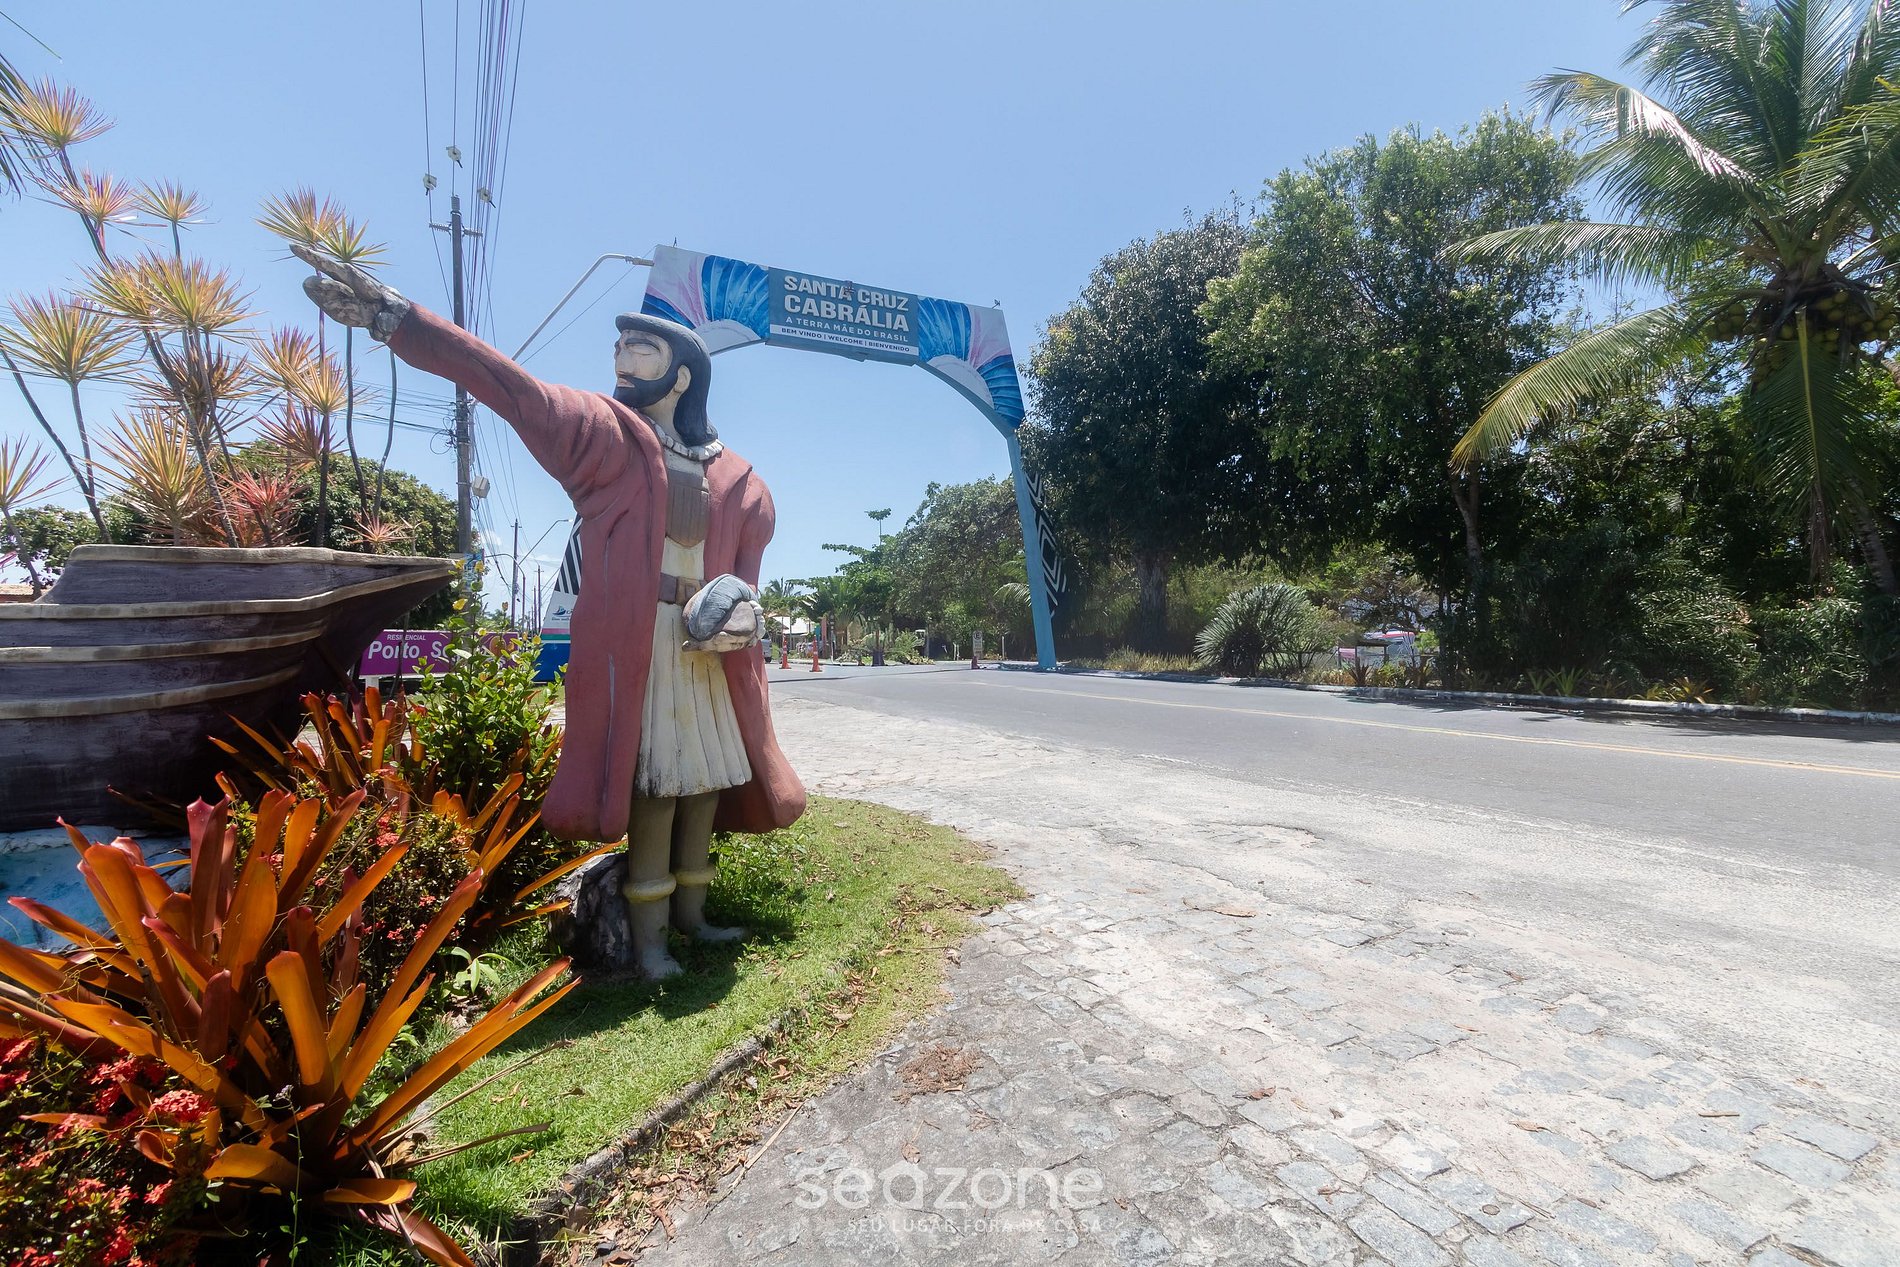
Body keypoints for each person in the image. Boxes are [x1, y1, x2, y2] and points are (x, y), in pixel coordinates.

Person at [294, 246, 806, 979]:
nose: (622, 356)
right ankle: (651, 942)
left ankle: (694, 916)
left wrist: (742, 618)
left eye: (642, 346)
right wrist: (400, 321)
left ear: (683, 373)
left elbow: (748, 585)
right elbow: (513, 389)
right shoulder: (607, 437)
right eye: (620, 346)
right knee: (658, 789)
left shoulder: (742, 480)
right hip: (642, 647)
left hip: (709, 658)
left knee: (705, 785)